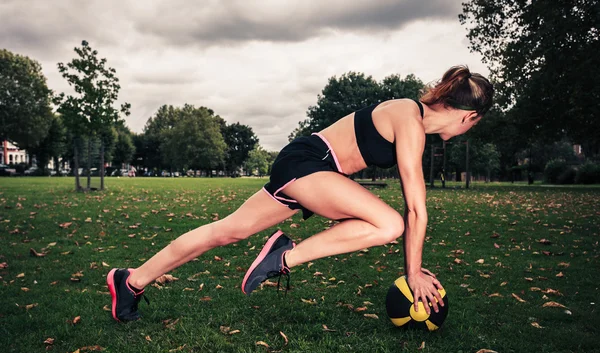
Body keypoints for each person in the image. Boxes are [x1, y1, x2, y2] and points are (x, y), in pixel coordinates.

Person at [107, 65, 494, 322]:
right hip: (311, 165)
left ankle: (130, 281)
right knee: (389, 222)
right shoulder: (409, 120)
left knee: (226, 231)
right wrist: (412, 274)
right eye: (474, 125)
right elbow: (415, 209)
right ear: (469, 116)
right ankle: (284, 257)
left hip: (309, 168)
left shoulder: (409, 117)